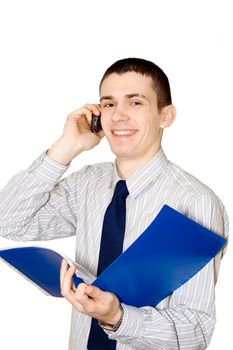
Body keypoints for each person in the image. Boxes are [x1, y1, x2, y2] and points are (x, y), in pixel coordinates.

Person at [0, 58, 228, 350]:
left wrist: (118, 318)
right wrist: (67, 147)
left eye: (135, 103)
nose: (118, 116)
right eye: (108, 104)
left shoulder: (195, 202)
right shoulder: (87, 184)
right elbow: (9, 221)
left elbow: (194, 331)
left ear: (166, 116)